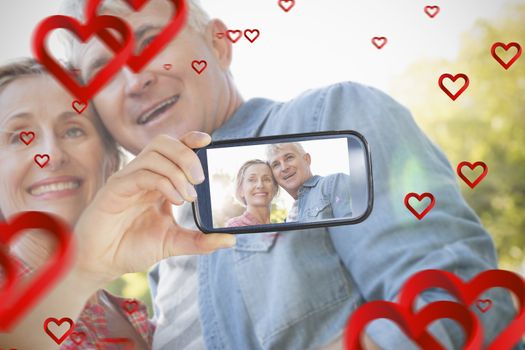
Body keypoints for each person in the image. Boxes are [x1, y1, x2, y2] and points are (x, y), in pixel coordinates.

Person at [56, 0, 521, 348]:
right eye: (103, 71)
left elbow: (459, 298)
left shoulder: (329, 118)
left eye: (151, 43)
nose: (135, 80)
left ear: (219, 44)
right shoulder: (159, 252)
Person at [0, 58, 235, 349]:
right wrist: (83, 267)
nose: (51, 154)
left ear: (111, 160)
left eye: (73, 130)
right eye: (19, 137)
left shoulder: (136, 319)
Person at [266, 143, 352, 222]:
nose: (284, 168)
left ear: (306, 159)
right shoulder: (288, 219)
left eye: (289, 158)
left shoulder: (333, 183)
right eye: (276, 164)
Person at [225, 159, 279, 227]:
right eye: (252, 180)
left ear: (275, 188)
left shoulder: (280, 230)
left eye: (266, 179)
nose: (260, 185)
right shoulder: (235, 226)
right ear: (241, 190)